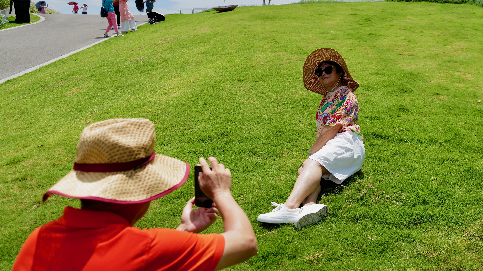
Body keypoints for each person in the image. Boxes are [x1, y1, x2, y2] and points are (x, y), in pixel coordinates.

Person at [12, 118, 258, 271]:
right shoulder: (148, 248)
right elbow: (245, 243)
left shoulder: (39, 240)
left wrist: (182, 232)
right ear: (139, 192)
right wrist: (221, 193)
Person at [257, 48, 365, 229]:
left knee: (311, 162)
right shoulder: (326, 98)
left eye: (328, 69)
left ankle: (289, 207)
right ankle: (309, 206)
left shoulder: (345, 94)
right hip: (336, 143)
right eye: (319, 71)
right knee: (304, 168)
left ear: (340, 72)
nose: (323, 73)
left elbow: (333, 129)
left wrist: (313, 152)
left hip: (347, 142)